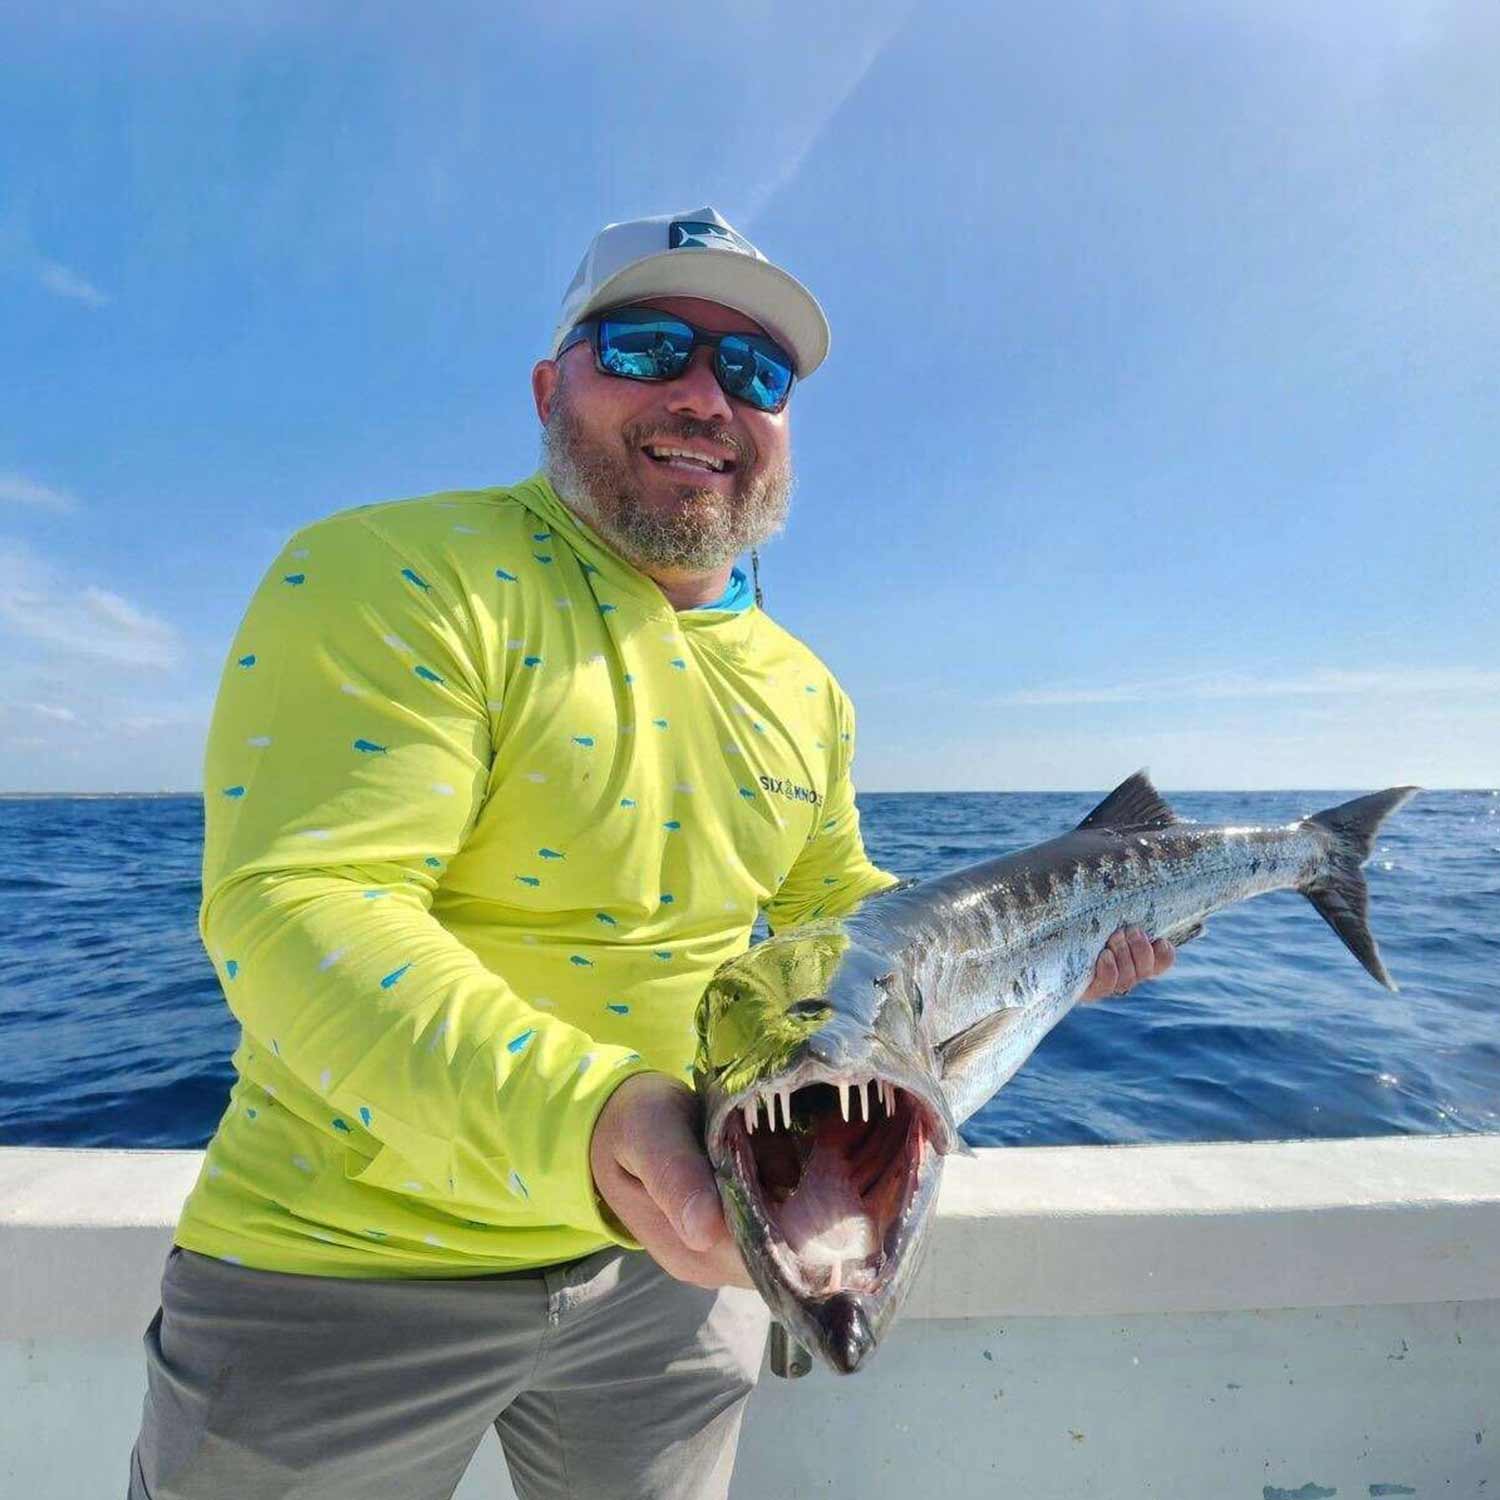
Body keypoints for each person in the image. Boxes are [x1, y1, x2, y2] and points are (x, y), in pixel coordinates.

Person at [127, 206, 1173, 1500]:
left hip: (674, 1271)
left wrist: (1049, 957)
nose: (702, 396)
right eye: (645, 347)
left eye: (753, 372)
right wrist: (597, 1121)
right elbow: (302, 903)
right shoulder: (390, 572)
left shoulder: (804, 686)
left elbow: (835, 910)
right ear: (546, 383)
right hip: (343, 1266)